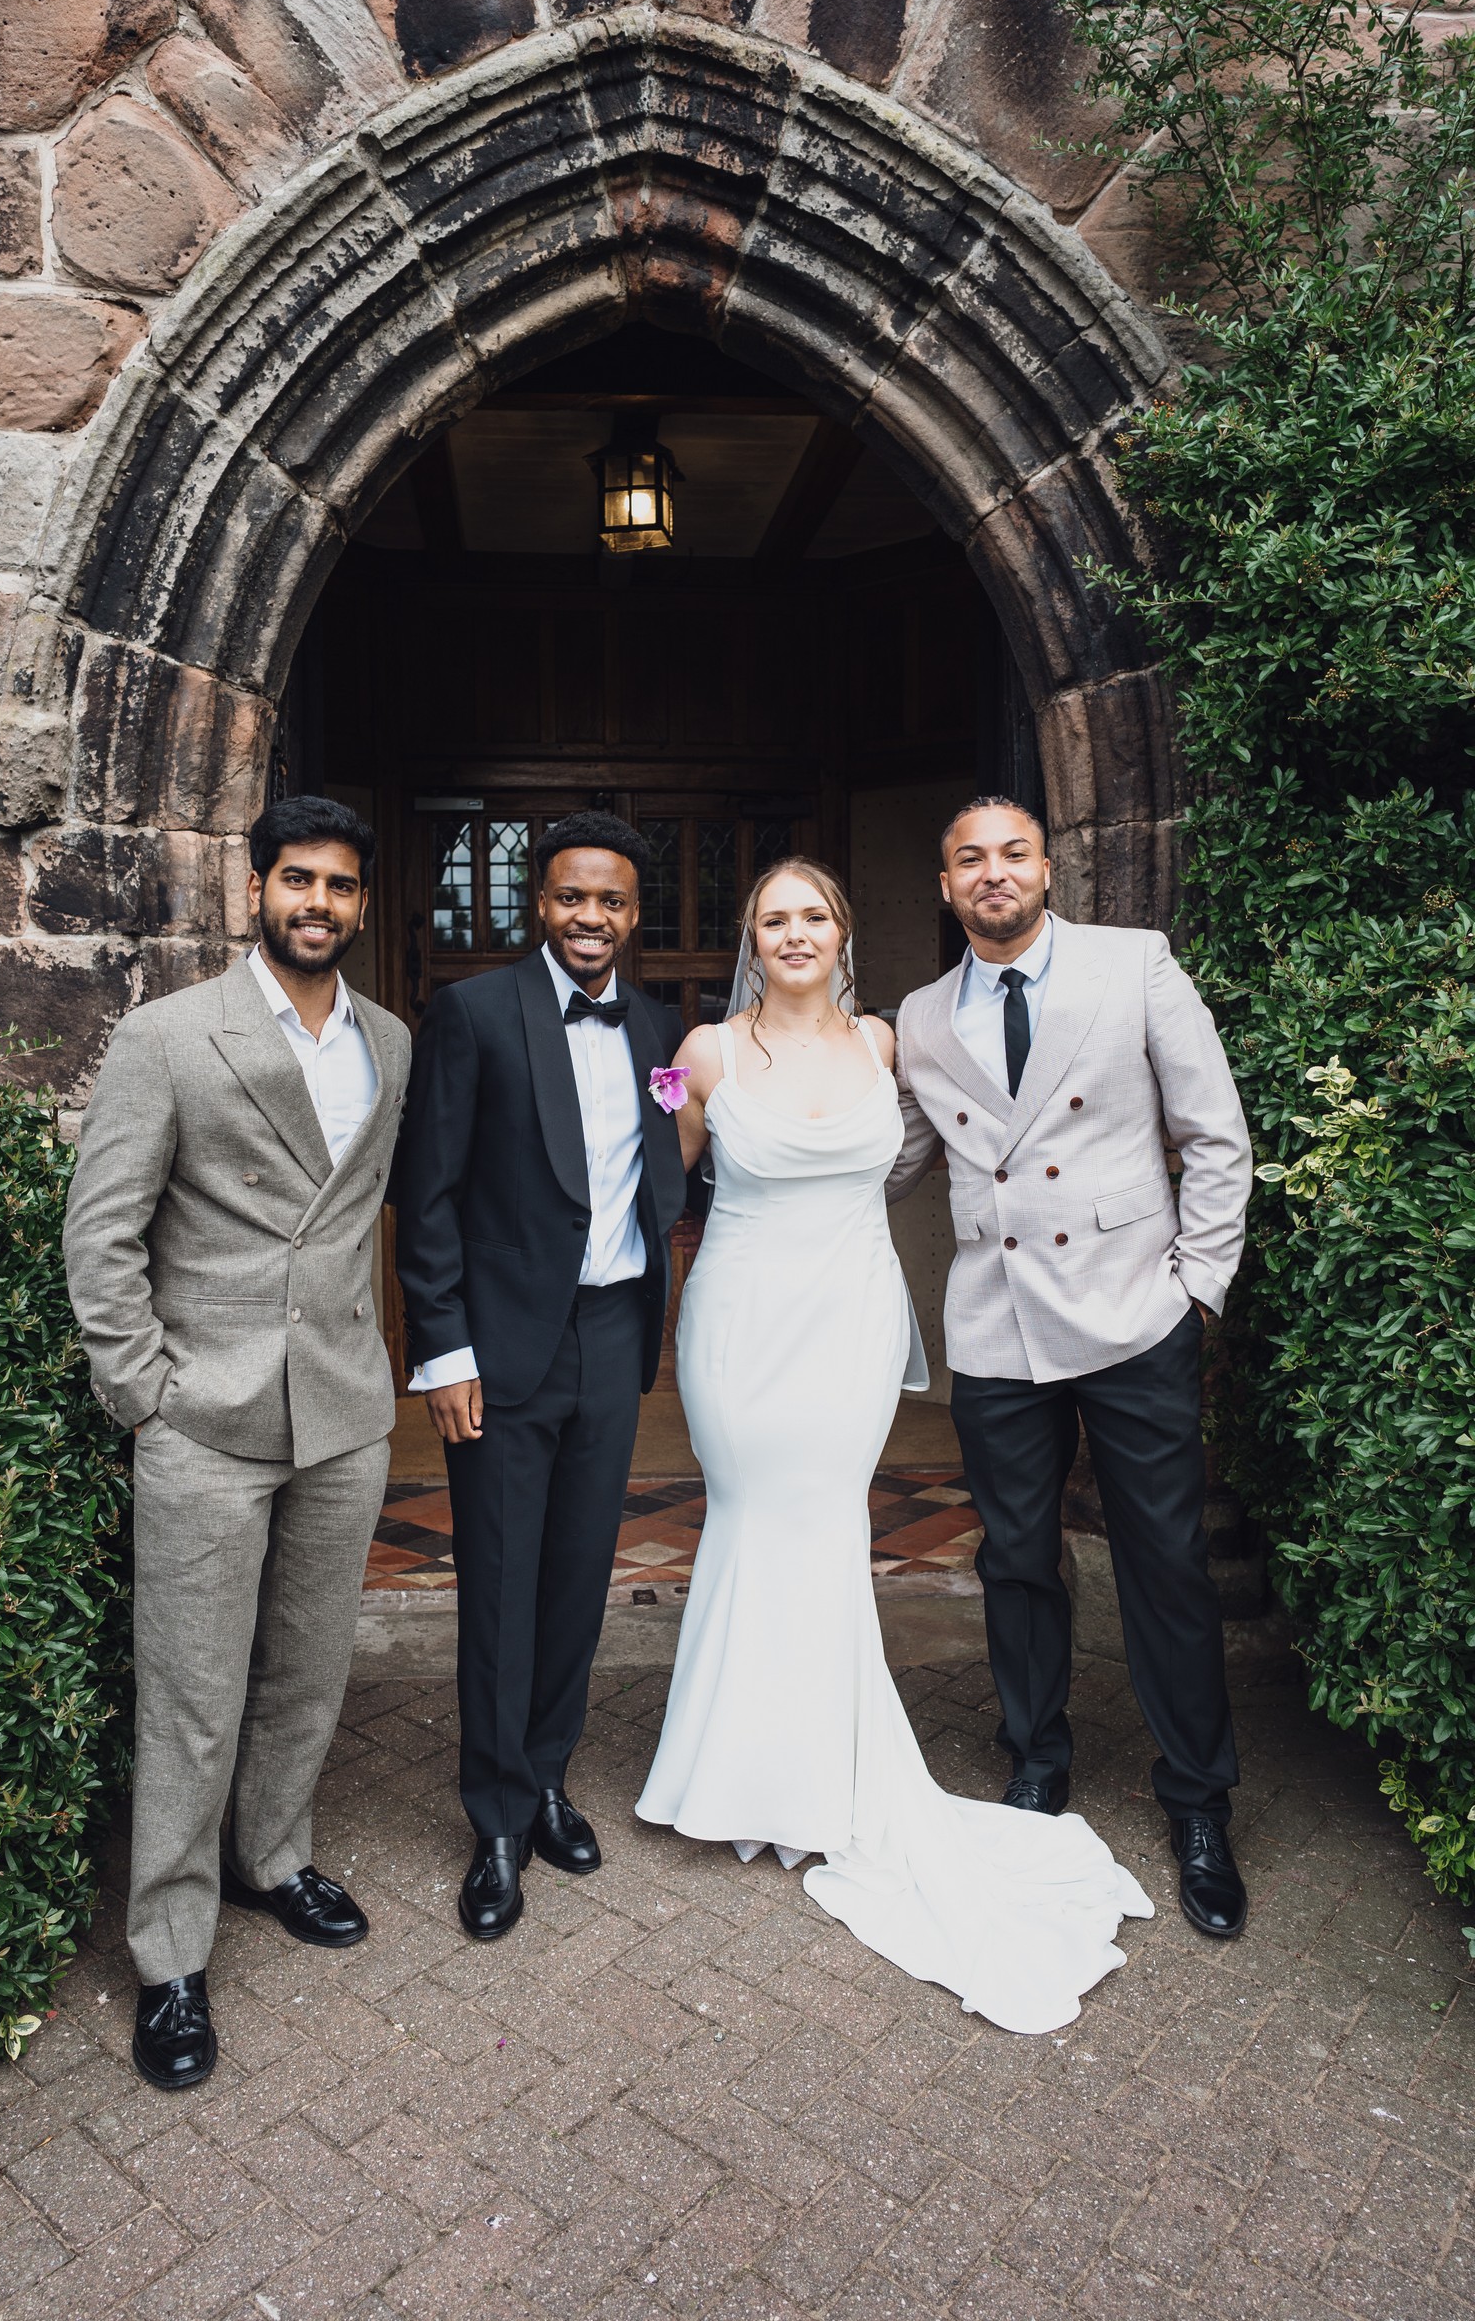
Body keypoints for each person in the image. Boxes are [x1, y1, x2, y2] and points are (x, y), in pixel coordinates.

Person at [637, 859, 1153, 2034]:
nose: (794, 933)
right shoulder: (702, 1055)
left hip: (853, 1321)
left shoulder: (884, 1044)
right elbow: (660, 1184)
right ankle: (736, 1772)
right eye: (773, 919)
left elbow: (978, 1139)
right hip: (741, 1318)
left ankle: (819, 1770)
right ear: (751, 940)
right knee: (752, 1517)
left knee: (825, 1527)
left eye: (812, 915)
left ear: (843, 932)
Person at [63, 796, 411, 2091]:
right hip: (204, 1416)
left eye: (340, 884)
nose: (318, 903)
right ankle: (169, 1951)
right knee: (193, 1695)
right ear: (255, 888)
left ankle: (272, 1859)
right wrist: (144, 1391)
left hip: (342, 1413)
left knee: (307, 1670)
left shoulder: (390, 1041)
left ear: (362, 903)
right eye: (296, 879)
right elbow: (101, 1231)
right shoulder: (167, 1036)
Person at [887, 797, 1254, 1938]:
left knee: (1164, 1564)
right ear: (946, 886)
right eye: (969, 859)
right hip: (998, 1328)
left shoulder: (1133, 964)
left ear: (1047, 870)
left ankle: (1198, 1803)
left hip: (1133, 1313)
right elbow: (893, 1159)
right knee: (1015, 1559)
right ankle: (1036, 1761)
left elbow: (1215, 1135)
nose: (992, 873)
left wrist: (1196, 1288)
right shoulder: (918, 1016)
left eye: (1013, 854)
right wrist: (768, 1128)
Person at [393, 812, 688, 1941]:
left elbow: (662, 1166)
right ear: (539, 903)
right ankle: (498, 1821)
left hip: (613, 1333)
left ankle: (550, 1776)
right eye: (571, 897)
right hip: (503, 1344)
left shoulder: (657, 1025)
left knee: (577, 1574)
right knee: (500, 1582)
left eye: (610, 901)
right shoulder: (473, 1013)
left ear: (633, 914)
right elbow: (427, 1197)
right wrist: (443, 1349)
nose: (589, 918)